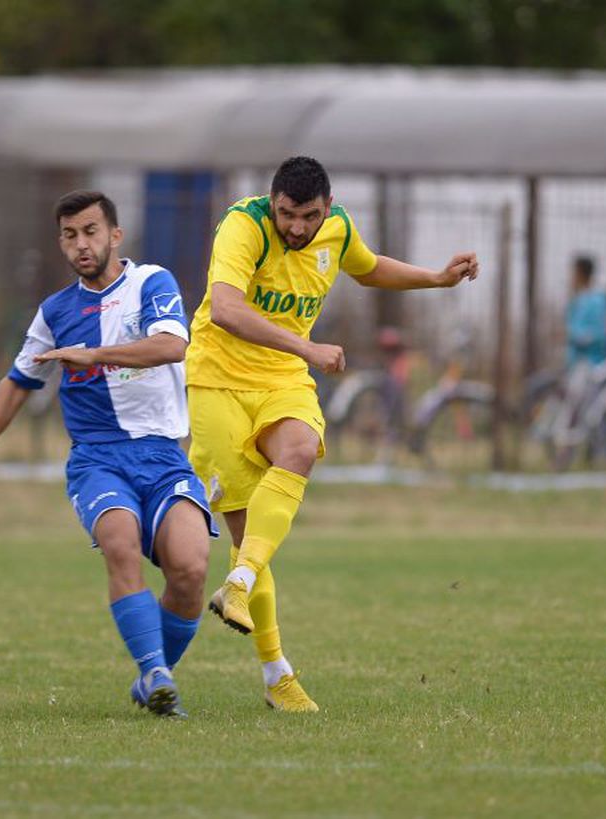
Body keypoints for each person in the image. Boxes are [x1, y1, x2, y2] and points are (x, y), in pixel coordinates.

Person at [188, 156, 478, 711]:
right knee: (248, 530)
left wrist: (436, 278)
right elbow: (224, 309)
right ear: (272, 202)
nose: (297, 227)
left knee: (299, 449)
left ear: (327, 208)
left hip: (280, 379)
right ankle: (277, 675)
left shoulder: (338, 228)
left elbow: (368, 268)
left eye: (309, 216)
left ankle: (239, 583)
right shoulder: (243, 226)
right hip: (217, 383)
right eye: (287, 214)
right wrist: (307, 346)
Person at [0, 190, 218, 718]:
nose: (81, 244)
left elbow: (172, 345)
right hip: (98, 459)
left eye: (91, 231)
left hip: (163, 456)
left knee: (190, 570)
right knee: (119, 545)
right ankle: (156, 674)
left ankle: (154, 673)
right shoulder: (55, 312)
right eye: (69, 236)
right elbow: (19, 380)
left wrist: (94, 355)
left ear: (115, 235)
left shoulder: (151, 283)